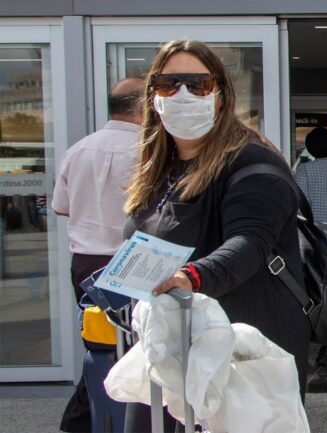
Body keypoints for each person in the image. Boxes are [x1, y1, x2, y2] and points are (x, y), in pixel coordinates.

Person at [121, 39, 310, 431]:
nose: (183, 94)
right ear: (153, 96)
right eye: (169, 84)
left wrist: (188, 277)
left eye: (199, 84)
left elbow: (249, 244)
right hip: (174, 348)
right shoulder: (161, 171)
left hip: (244, 347)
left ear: (221, 95)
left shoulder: (254, 163)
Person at [52, 77, 144, 433]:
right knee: (137, 348)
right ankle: (101, 419)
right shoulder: (150, 150)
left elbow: (62, 208)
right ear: (141, 107)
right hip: (132, 264)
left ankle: (85, 421)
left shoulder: (77, 150)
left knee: (100, 347)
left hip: (86, 264)